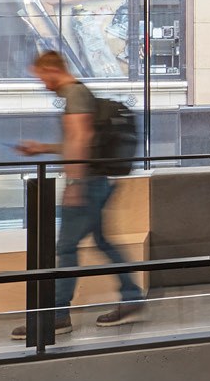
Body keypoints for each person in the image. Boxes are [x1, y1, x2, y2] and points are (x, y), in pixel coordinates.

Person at [12, 51, 143, 338]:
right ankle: (132, 296)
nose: (42, 84)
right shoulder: (79, 94)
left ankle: (58, 315)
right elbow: (77, 141)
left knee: (66, 248)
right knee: (102, 241)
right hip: (94, 180)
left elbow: (80, 139)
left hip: (86, 183)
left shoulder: (74, 94)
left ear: (51, 69)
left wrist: (75, 183)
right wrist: (41, 148)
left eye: (41, 77)